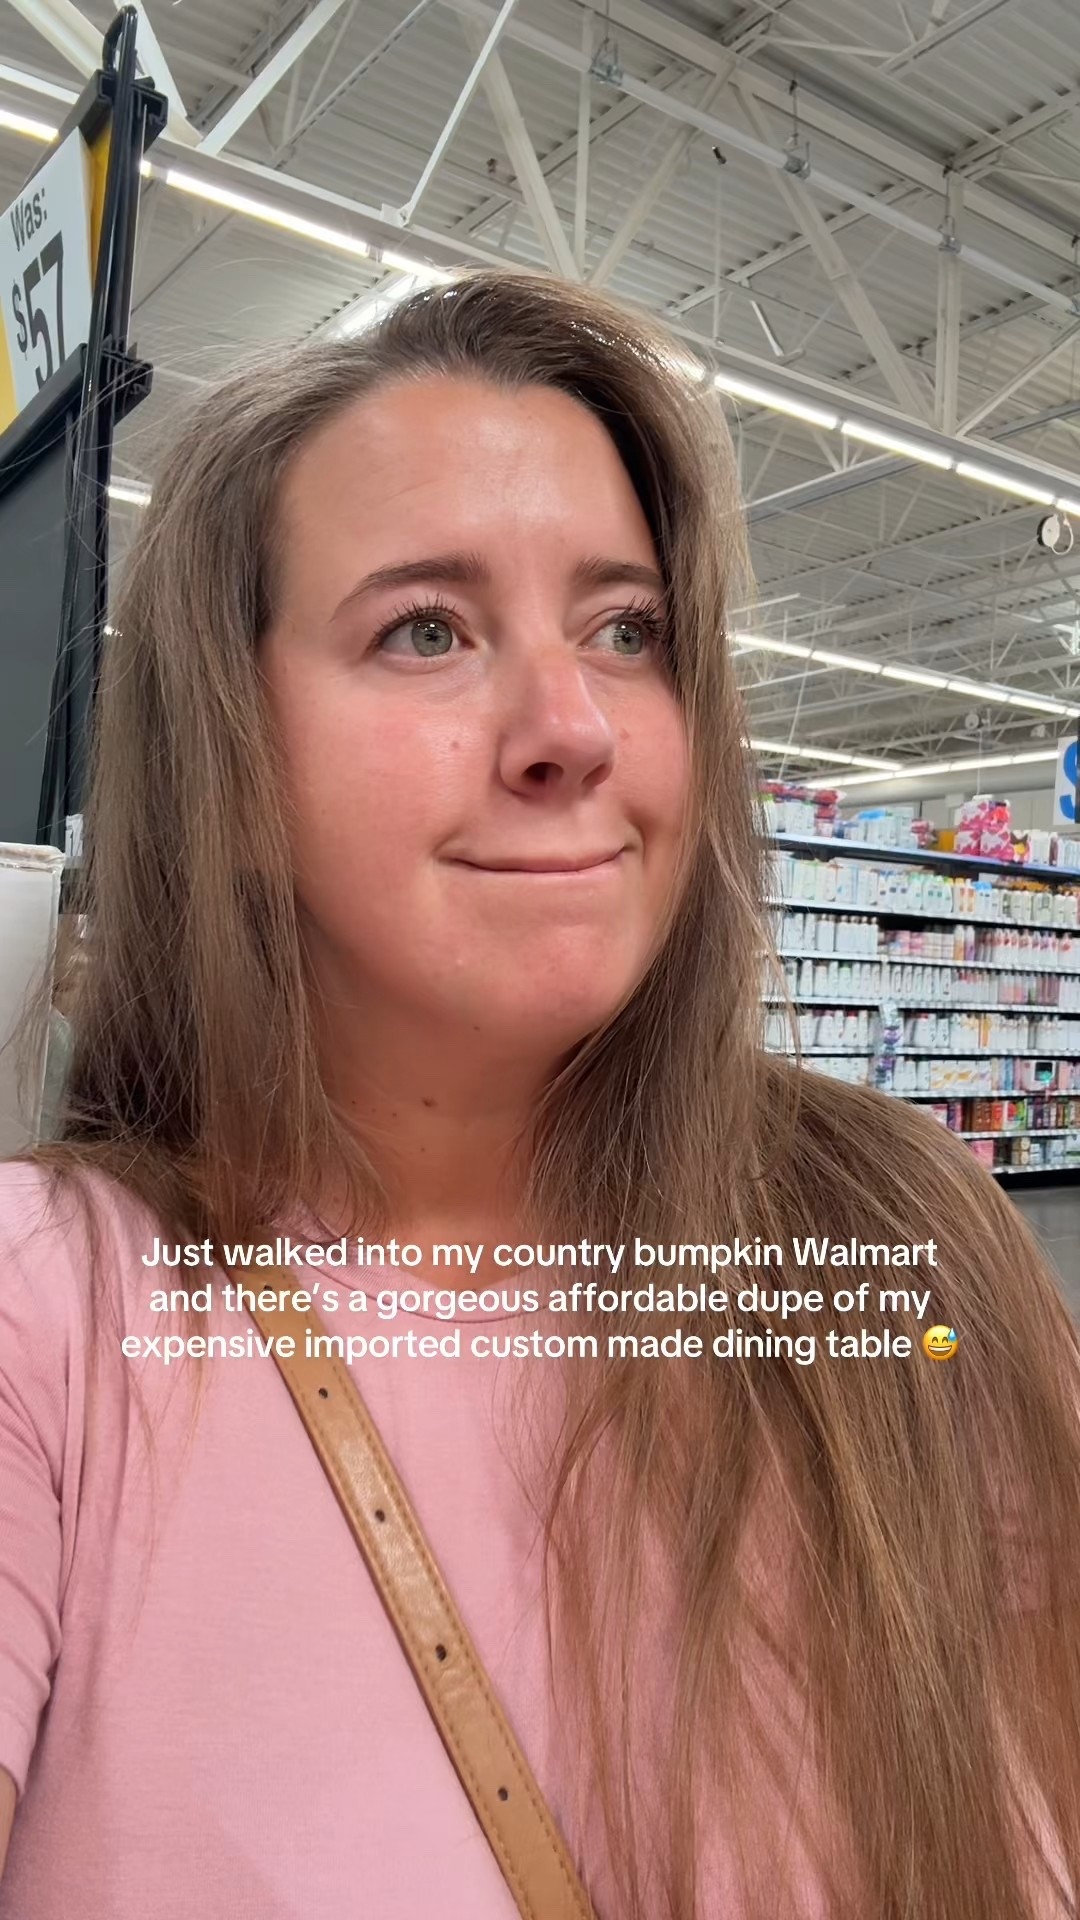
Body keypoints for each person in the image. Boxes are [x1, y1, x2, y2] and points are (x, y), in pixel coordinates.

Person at [0, 266, 1077, 1920]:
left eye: (625, 629)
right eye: (425, 629)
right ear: (233, 756)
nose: (570, 726)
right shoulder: (52, 1309)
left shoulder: (895, 1233)